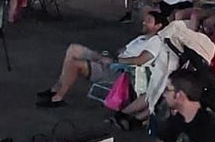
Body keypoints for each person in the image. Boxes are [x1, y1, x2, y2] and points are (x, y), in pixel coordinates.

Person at [36, 9, 167, 107]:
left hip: (119, 72)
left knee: (75, 64)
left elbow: (140, 60)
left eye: (149, 21)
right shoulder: (141, 38)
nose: (144, 22)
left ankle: (59, 97)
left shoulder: (155, 42)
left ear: (158, 26)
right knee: (73, 48)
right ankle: (55, 88)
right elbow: (123, 50)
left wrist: (115, 61)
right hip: (113, 62)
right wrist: (108, 56)